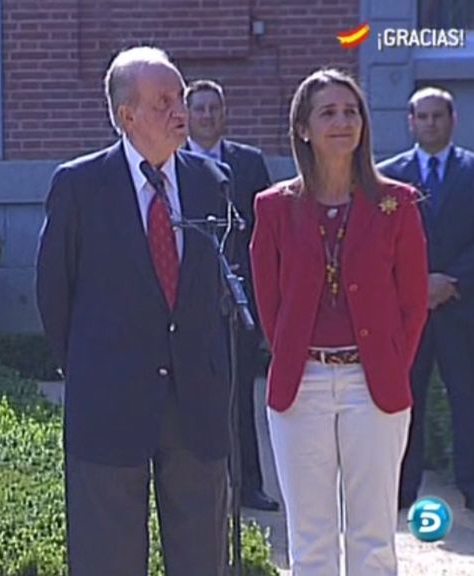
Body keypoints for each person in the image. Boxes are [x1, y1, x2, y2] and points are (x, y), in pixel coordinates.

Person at [36, 46, 232, 576]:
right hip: (110, 402)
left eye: (182, 98)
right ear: (127, 115)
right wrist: (89, 369)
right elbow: (55, 293)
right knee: (108, 558)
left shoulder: (211, 182)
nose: (180, 112)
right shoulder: (79, 185)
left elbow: (219, 288)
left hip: (195, 404)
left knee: (202, 557)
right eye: (165, 101)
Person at [249, 68, 428, 576]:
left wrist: (388, 362)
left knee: (373, 537)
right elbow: (270, 303)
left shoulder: (397, 203)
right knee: (310, 538)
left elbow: (413, 303)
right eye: (328, 112)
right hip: (300, 385)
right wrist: (293, 354)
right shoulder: (274, 208)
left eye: (351, 112)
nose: (343, 121)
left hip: (372, 386)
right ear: (303, 128)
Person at [378, 87, 474, 515]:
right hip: (408, 311)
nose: (430, 123)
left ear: (452, 120)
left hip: (461, 304)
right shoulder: (388, 176)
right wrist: (419, 285)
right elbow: (381, 244)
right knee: (403, 400)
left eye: (438, 116)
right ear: (410, 121)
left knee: (467, 399)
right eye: (423, 116)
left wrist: (449, 282)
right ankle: (400, 488)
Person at [184, 79, 278, 512]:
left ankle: (248, 484)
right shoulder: (172, 162)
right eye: (199, 109)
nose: (206, 116)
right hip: (189, 303)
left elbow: (267, 235)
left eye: (213, 108)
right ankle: (203, 486)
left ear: (225, 114)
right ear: (186, 116)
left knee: (242, 396)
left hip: (239, 301)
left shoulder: (249, 163)